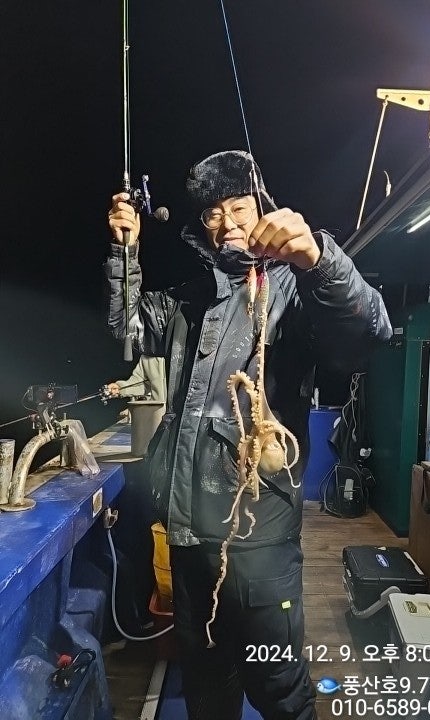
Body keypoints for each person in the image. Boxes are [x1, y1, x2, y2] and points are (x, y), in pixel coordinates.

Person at [105, 150, 392, 720]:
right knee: (206, 686)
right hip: (188, 535)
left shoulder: (295, 289)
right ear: (202, 226)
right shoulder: (189, 298)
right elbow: (127, 331)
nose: (228, 222)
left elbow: (369, 332)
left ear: (261, 208)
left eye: (239, 207)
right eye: (213, 213)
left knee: (279, 686)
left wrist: (320, 260)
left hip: (260, 536)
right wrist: (125, 252)